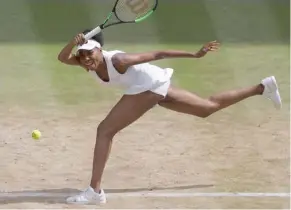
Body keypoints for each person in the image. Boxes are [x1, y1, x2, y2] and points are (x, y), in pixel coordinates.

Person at [57, 30, 282, 205]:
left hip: (149, 87)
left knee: (105, 130)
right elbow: (62, 57)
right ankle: (262, 88)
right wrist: (73, 42)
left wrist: (195, 54)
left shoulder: (118, 60)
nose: (86, 59)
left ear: (99, 50)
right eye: (82, 54)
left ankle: (95, 191)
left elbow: (158, 54)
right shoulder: (83, 60)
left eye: (90, 53)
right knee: (206, 108)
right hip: (154, 85)